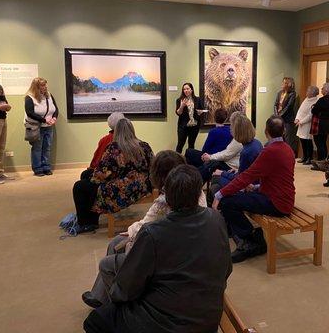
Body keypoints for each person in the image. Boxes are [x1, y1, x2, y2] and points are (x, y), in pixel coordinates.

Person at [83, 165, 232, 333]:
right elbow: (227, 269)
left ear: (166, 197)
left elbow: (127, 289)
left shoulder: (153, 233)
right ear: (199, 194)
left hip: (166, 323)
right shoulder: (217, 219)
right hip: (208, 319)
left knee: (95, 320)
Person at [81, 150, 208, 308]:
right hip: (174, 248)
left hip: (168, 255)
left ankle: (118, 300)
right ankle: (102, 295)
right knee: (117, 243)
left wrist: (133, 233)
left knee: (111, 256)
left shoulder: (167, 201)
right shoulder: (197, 195)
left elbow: (150, 225)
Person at [213, 116, 295, 263]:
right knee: (234, 195)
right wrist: (257, 186)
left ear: (266, 131)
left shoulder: (270, 151)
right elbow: (278, 178)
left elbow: (245, 177)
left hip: (276, 203)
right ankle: (252, 237)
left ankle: (251, 240)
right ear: (283, 131)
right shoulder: (288, 149)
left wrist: (219, 194)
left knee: (227, 202)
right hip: (283, 198)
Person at [73, 118, 154, 233]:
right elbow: (153, 166)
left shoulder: (114, 148)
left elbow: (102, 173)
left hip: (122, 189)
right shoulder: (144, 146)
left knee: (80, 186)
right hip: (143, 185)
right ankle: (91, 216)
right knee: (86, 175)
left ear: (116, 132)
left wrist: (93, 178)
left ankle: (86, 222)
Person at [208, 114, 263, 205]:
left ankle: (217, 206)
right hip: (254, 181)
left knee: (216, 178)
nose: (230, 129)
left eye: (232, 128)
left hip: (250, 187)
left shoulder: (246, 152)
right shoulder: (256, 143)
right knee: (217, 176)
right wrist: (237, 170)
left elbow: (241, 180)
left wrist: (222, 173)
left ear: (238, 131)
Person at [24, 77, 59, 176]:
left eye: (45, 84)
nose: (45, 87)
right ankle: (37, 168)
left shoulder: (49, 95)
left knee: (47, 147)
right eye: (43, 85)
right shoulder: (30, 97)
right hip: (36, 127)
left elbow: (56, 109)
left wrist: (54, 118)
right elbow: (29, 112)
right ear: (36, 87)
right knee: (37, 148)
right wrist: (44, 120)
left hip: (49, 126)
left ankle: (46, 166)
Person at [198, 112, 244, 183]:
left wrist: (210, 157)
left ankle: (193, 184)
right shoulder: (236, 136)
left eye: (232, 124)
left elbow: (226, 154)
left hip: (230, 166)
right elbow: (226, 152)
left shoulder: (239, 139)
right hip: (227, 162)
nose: (230, 127)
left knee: (210, 164)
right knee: (207, 165)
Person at [79, 112, 125, 181]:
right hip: (125, 175)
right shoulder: (130, 138)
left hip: (109, 176)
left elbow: (96, 161)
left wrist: (91, 168)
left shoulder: (105, 140)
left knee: (84, 175)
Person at [175, 82, 205, 153]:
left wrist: (200, 112)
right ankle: (176, 161)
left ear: (191, 90)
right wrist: (182, 106)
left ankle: (190, 161)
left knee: (191, 144)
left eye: (187, 89)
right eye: (184, 89)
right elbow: (178, 113)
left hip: (194, 126)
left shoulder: (197, 99)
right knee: (180, 144)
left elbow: (201, 109)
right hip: (183, 126)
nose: (186, 90)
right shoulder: (179, 100)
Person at [310, 82, 329, 161]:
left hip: (320, 124)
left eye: (323, 88)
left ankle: (320, 161)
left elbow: (314, 111)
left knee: (319, 143)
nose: (321, 89)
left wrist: (313, 107)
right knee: (323, 143)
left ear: (327, 90)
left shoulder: (322, 100)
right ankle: (324, 160)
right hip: (327, 124)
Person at [295, 85, 319, 165]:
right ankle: (304, 157)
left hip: (307, 124)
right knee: (302, 140)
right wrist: (297, 118)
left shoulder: (315, 101)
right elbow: (300, 110)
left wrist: (301, 121)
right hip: (300, 123)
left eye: (308, 91)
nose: (306, 92)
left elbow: (310, 115)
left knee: (308, 141)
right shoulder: (306, 99)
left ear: (313, 93)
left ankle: (309, 157)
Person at [274, 77, 298, 154]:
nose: (282, 84)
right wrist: (276, 115)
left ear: (289, 84)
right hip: (279, 119)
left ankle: (289, 154)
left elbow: (289, 107)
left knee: (288, 139)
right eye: (283, 82)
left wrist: (279, 116)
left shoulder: (292, 94)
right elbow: (275, 105)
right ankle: (281, 154)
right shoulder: (280, 93)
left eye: (284, 83)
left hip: (287, 119)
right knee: (280, 137)